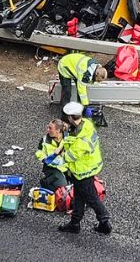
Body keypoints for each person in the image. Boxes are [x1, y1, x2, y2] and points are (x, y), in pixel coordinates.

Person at [57, 101, 112, 235]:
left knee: (91, 198)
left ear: (70, 117)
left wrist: (59, 151)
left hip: (83, 172)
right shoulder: (87, 124)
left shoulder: (80, 141)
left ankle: (104, 222)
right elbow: (74, 136)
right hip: (86, 169)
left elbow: (69, 157)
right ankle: (75, 223)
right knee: (79, 197)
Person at [35, 119, 68, 190]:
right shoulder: (45, 140)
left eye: (50, 128)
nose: (48, 130)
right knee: (62, 185)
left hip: (67, 166)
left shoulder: (68, 137)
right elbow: (39, 151)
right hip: (51, 167)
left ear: (58, 130)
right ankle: (45, 183)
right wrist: (44, 158)